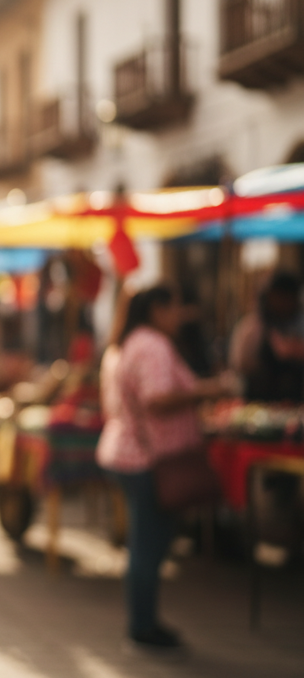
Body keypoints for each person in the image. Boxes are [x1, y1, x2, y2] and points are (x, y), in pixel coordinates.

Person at [96, 285, 228, 652]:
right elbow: (157, 399)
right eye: (175, 306)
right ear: (157, 309)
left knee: (146, 544)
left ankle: (144, 621)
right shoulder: (151, 346)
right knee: (148, 545)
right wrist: (208, 390)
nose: (180, 315)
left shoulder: (132, 343)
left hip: (129, 451)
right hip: (147, 457)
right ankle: (142, 624)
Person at [229, 270, 304, 401]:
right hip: (257, 405)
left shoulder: (299, 324)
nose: (283, 303)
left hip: (296, 403)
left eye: (288, 298)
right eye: (279, 297)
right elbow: (238, 366)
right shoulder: (251, 327)